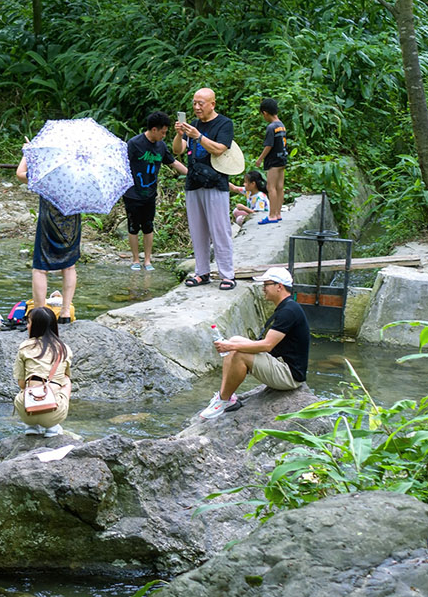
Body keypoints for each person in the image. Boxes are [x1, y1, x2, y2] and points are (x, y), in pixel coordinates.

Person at [198, 266, 311, 419]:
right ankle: (225, 397)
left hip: (290, 376)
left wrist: (230, 347)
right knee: (235, 340)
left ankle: (224, 400)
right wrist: (232, 344)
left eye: (266, 285)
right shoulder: (287, 307)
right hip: (280, 364)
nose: (263, 289)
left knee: (238, 353)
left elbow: (267, 345)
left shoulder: (289, 311)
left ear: (279, 287)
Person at [174, 88, 237, 290]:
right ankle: (202, 272)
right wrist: (179, 135)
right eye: (194, 103)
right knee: (197, 230)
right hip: (193, 182)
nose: (197, 107)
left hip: (216, 182)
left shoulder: (224, 124)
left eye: (201, 103)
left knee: (220, 229)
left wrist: (199, 137)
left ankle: (227, 275)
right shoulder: (192, 125)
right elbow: (178, 150)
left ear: (212, 104)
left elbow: (220, 149)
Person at [16, 151, 80, 323]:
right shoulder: (79, 172)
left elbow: (20, 174)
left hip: (48, 221)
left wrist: (27, 154)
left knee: (40, 268)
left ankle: (39, 313)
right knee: (69, 266)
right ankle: (65, 312)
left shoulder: (46, 171)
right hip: (71, 222)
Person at [124, 111, 188, 271]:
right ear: (154, 129)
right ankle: (135, 260)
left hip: (150, 194)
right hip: (132, 193)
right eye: (163, 132)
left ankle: (147, 260)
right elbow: (122, 164)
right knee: (133, 227)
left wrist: (192, 174)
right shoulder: (134, 143)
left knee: (148, 226)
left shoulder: (161, 146)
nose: (164, 136)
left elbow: (173, 163)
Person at [13, 306, 72, 436]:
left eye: (29, 322)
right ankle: (52, 427)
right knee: (66, 380)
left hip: (27, 410)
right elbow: (65, 378)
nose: (27, 326)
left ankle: (31, 426)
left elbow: (21, 384)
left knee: (28, 385)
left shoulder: (25, 347)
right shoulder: (64, 349)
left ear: (36, 326)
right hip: (54, 412)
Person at [255, 99, 288, 223]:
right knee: (280, 187)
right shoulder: (281, 125)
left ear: (265, 113)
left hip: (273, 161)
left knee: (271, 187)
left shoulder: (271, 127)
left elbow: (268, 145)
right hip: (282, 159)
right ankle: (278, 213)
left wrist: (260, 159)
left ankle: (272, 215)